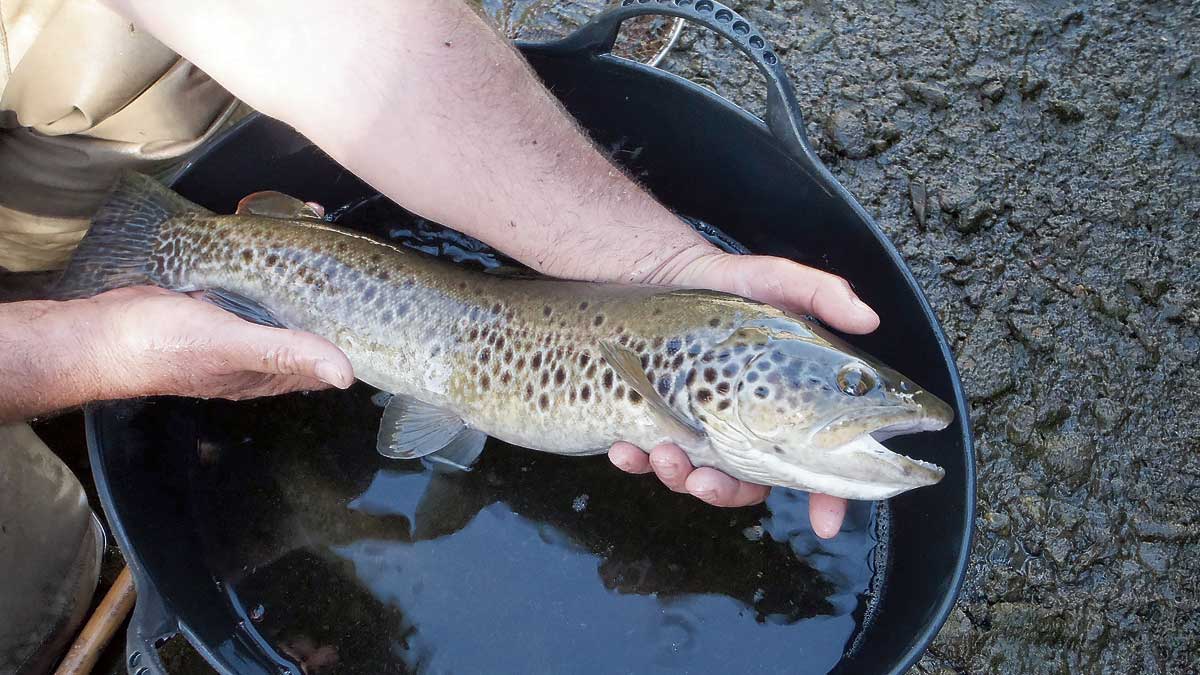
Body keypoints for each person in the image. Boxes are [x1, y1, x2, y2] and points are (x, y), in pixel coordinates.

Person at [0, 1, 879, 671]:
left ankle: (77, 248)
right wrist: (89, 353)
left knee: (158, 74)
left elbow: (347, 39)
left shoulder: (697, 368)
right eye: (849, 386)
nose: (863, 397)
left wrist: (659, 261)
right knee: (33, 579)